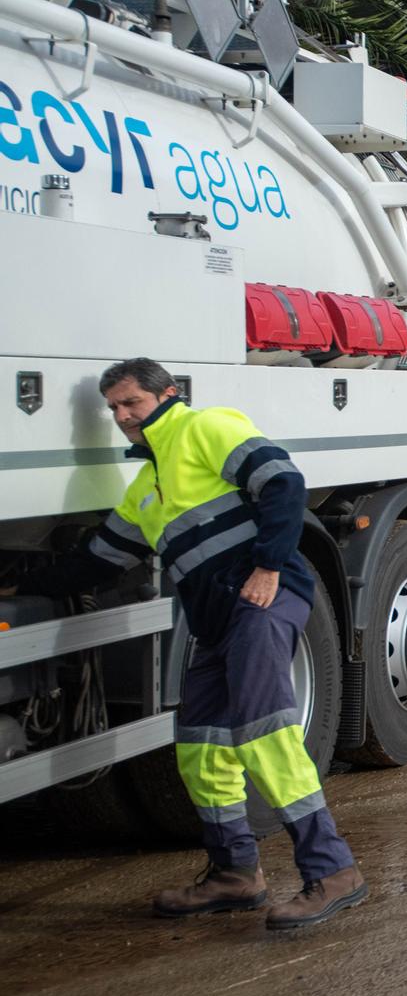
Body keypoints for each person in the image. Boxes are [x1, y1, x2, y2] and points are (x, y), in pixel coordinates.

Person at [6, 360, 366, 928]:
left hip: (262, 596)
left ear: (166, 396)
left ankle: (332, 870)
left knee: (263, 728)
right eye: (115, 409)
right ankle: (235, 874)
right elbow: (95, 562)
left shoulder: (206, 428)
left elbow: (283, 483)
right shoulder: (145, 488)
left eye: (133, 404)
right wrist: (19, 585)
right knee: (199, 744)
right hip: (215, 618)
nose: (124, 417)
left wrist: (268, 567)